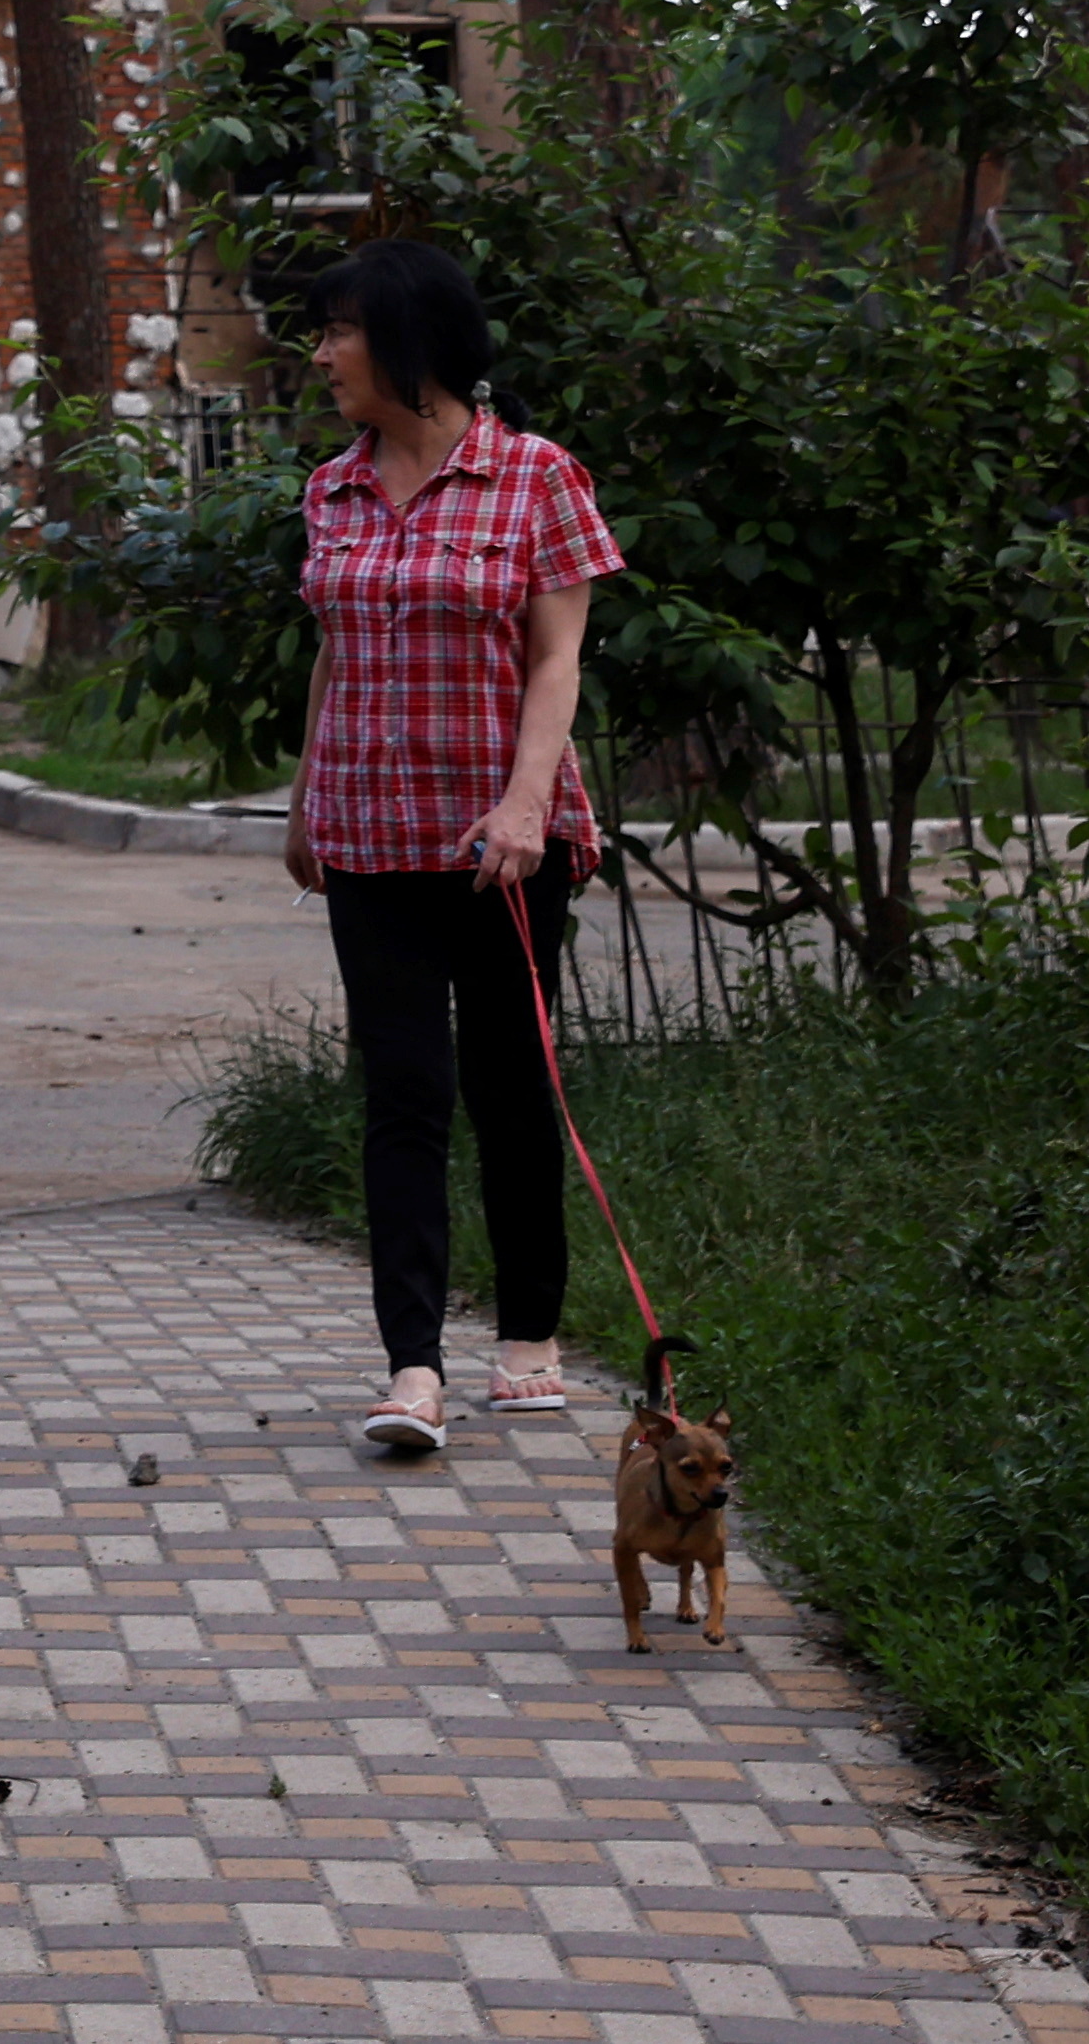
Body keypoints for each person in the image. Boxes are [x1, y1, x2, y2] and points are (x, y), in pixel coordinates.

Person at [274, 232, 622, 1463]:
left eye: (338, 331)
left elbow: (555, 660)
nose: (321, 355)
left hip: (505, 846)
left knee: (511, 1090)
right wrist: (305, 800)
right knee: (403, 1098)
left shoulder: (533, 477)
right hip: (370, 838)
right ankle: (411, 1367)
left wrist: (528, 806)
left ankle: (528, 1334)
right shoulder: (332, 487)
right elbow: (332, 654)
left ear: (408, 341)